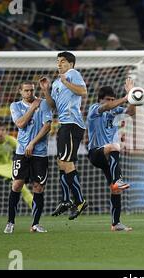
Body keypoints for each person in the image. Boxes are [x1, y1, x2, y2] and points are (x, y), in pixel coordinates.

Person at [39, 51, 88, 220]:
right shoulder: (57, 82)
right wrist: (46, 91)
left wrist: (66, 82)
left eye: (63, 62)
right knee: (61, 162)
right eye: (58, 61)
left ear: (71, 64)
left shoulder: (73, 74)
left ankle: (79, 201)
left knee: (66, 162)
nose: (59, 64)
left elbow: (83, 91)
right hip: (63, 124)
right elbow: (53, 106)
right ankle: (66, 200)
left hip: (72, 124)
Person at [86, 78, 136, 231]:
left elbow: (130, 112)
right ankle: (118, 179)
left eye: (113, 99)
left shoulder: (115, 111)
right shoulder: (94, 109)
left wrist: (132, 96)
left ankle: (116, 223)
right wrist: (125, 98)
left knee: (115, 190)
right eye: (108, 100)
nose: (111, 102)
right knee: (115, 146)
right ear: (100, 100)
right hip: (96, 153)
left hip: (109, 155)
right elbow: (106, 107)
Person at [4, 81, 52, 234]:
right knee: (17, 185)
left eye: (31, 90)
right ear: (20, 91)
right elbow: (20, 123)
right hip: (21, 152)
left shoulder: (44, 103)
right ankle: (10, 222)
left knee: (38, 187)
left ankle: (35, 224)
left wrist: (32, 143)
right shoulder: (15, 106)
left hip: (40, 152)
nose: (29, 93)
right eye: (26, 91)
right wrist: (32, 107)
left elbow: (47, 126)